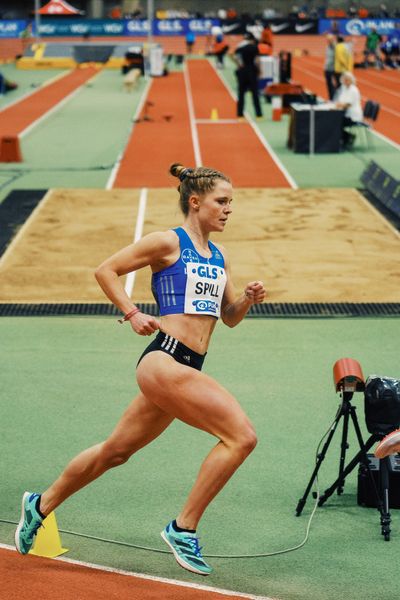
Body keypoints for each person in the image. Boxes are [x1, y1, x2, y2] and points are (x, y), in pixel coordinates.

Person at [14, 163, 266, 577]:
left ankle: (39, 505)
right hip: (163, 360)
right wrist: (132, 313)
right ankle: (183, 528)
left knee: (116, 451)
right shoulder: (167, 241)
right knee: (241, 437)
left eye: (231, 203)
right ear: (195, 201)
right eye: (222, 201)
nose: (228, 210)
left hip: (186, 365)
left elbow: (229, 316)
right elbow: (105, 270)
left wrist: (248, 301)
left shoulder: (219, 257)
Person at [232, 32, 263, 120]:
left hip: (242, 71)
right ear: (252, 40)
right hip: (252, 71)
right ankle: (259, 115)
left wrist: (239, 64)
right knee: (255, 94)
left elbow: (233, 56)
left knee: (241, 94)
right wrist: (260, 71)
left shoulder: (240, 48)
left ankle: (240, 115)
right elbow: (257, 60)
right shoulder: (254, 48)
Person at [334, 71, 363, 149]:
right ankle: (345, 138)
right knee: (334, 121)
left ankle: (348, 138)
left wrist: (337, 106)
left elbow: (347, 105)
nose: (345, 81)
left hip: (353, 115)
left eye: (347, 80)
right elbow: (340, 101)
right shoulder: (344, 88)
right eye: (344, 79)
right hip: (346, 114)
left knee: (336, 122)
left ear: (352, 80)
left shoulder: (353, 90)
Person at [324, 34, 336, 100]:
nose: (328, 41)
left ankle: (334, 98)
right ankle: (331, 98)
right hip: (327, 68)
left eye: (330, 39)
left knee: (333, 85)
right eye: (328, 39)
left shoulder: (335, 46)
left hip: (332, 69)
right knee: (329, 85)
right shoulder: (327, 47)